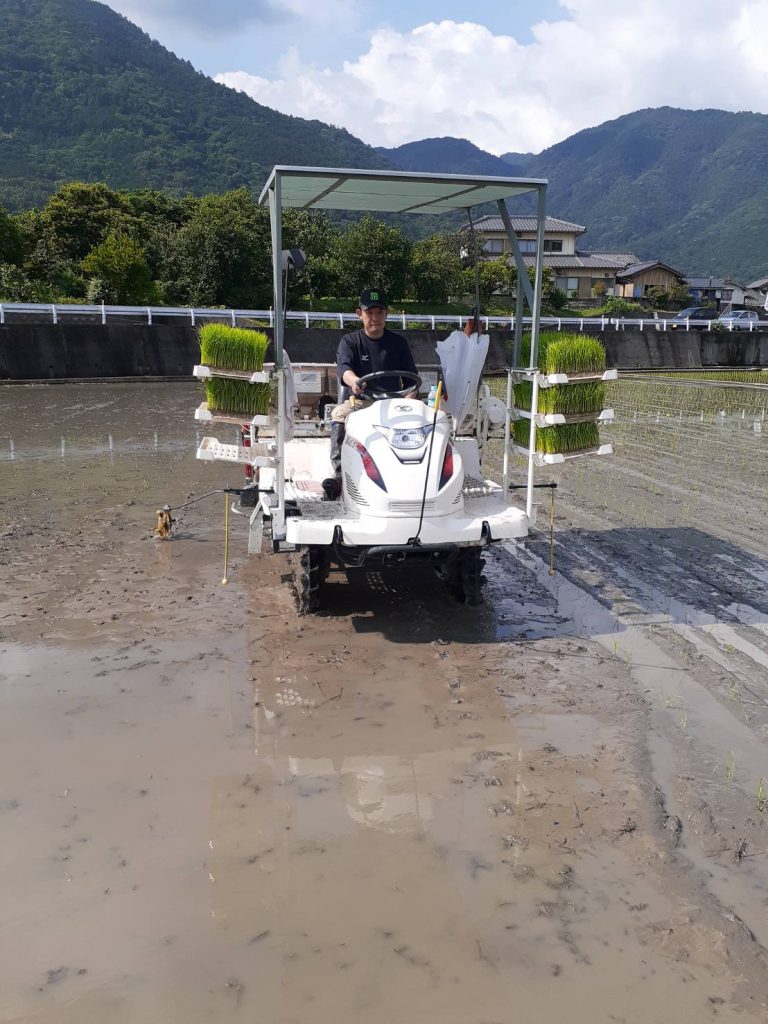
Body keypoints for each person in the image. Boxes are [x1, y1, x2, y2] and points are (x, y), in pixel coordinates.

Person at [327, 289, 419, 491]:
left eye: (380, 313)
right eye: (370, 313)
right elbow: (344, 370)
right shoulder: (350, 342)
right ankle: (339, 473)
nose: (375, 318)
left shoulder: (398, 343)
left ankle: (419, 474)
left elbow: (412, 380)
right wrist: (355, 381)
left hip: (395, 403)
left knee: (429, 417)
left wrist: (409, 401)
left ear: (387, 314)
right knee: (339, 414)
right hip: (362, 403)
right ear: (360, 314)